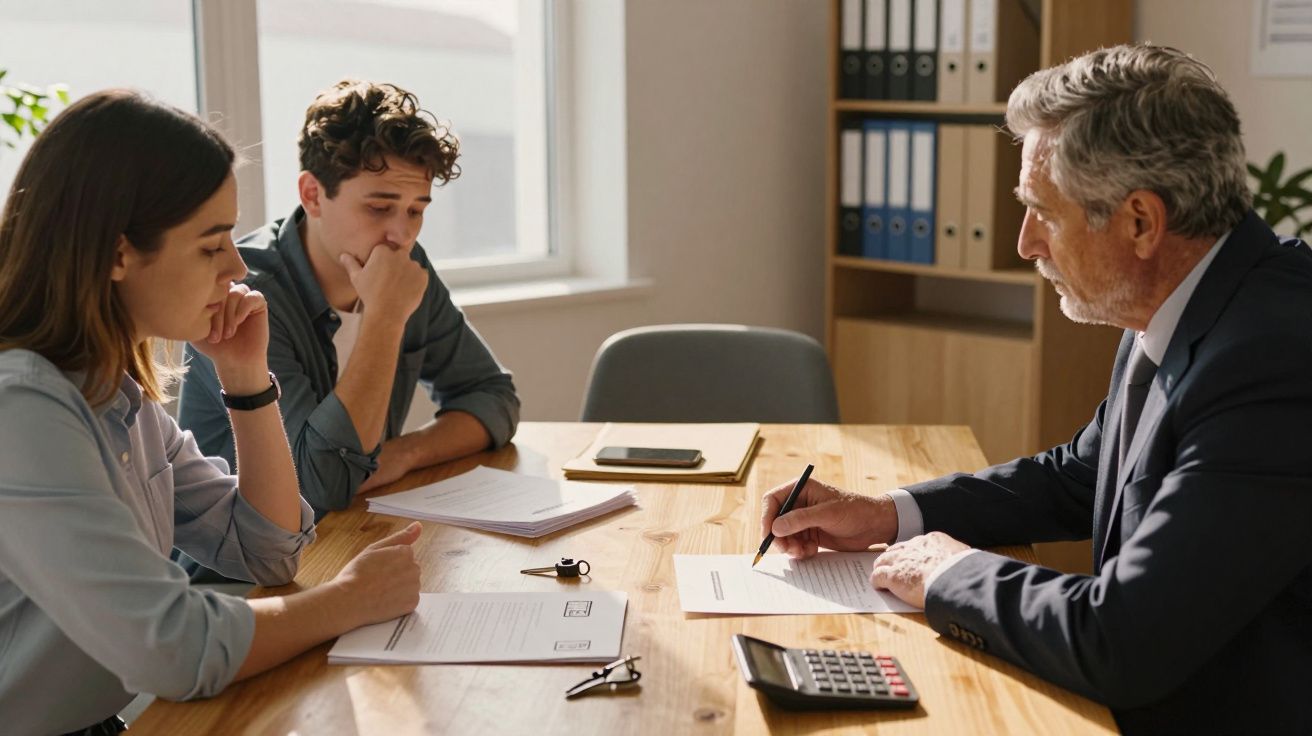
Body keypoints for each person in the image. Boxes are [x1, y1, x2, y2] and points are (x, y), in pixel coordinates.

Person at [762, 44, 1312, 734]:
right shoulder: (1188, 297)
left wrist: (947, 572)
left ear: (1141, 222)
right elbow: (1086, 473)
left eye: (1044, 213)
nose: (1026, 243)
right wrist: (885, 515)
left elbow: (1124, 638)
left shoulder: (1276, 361)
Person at [0, 90, 423, 736]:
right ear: (118, 253)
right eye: (211, 244)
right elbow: (173, 647)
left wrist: (246, 379)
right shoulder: (22, 408)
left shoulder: (116, 399)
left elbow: (269, 549)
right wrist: (350, 599)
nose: (235, 266)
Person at [178, 80, 520, 519]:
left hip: (354, 537)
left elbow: (493, 397)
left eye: (416, 209)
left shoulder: (402, 266)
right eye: (379, 207)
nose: (402, 234)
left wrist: (404, 453)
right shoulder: (244, 294)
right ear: (313, 195)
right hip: (239, 576)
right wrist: (386, 317)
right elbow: (320, 486)